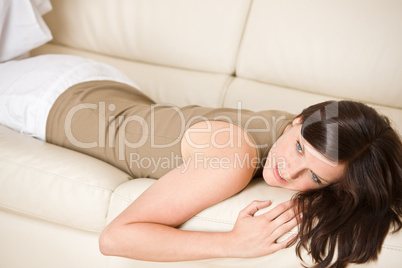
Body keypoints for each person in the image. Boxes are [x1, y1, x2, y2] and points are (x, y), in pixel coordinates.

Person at [1, 54, 401, 268]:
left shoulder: (297, 127)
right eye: (298, 147)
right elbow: (115, 238)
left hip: (105, 86)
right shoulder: (233, 159)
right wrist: (232, 243)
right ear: (298, 121)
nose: (286, 171)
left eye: (313, 175)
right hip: (49, 100)